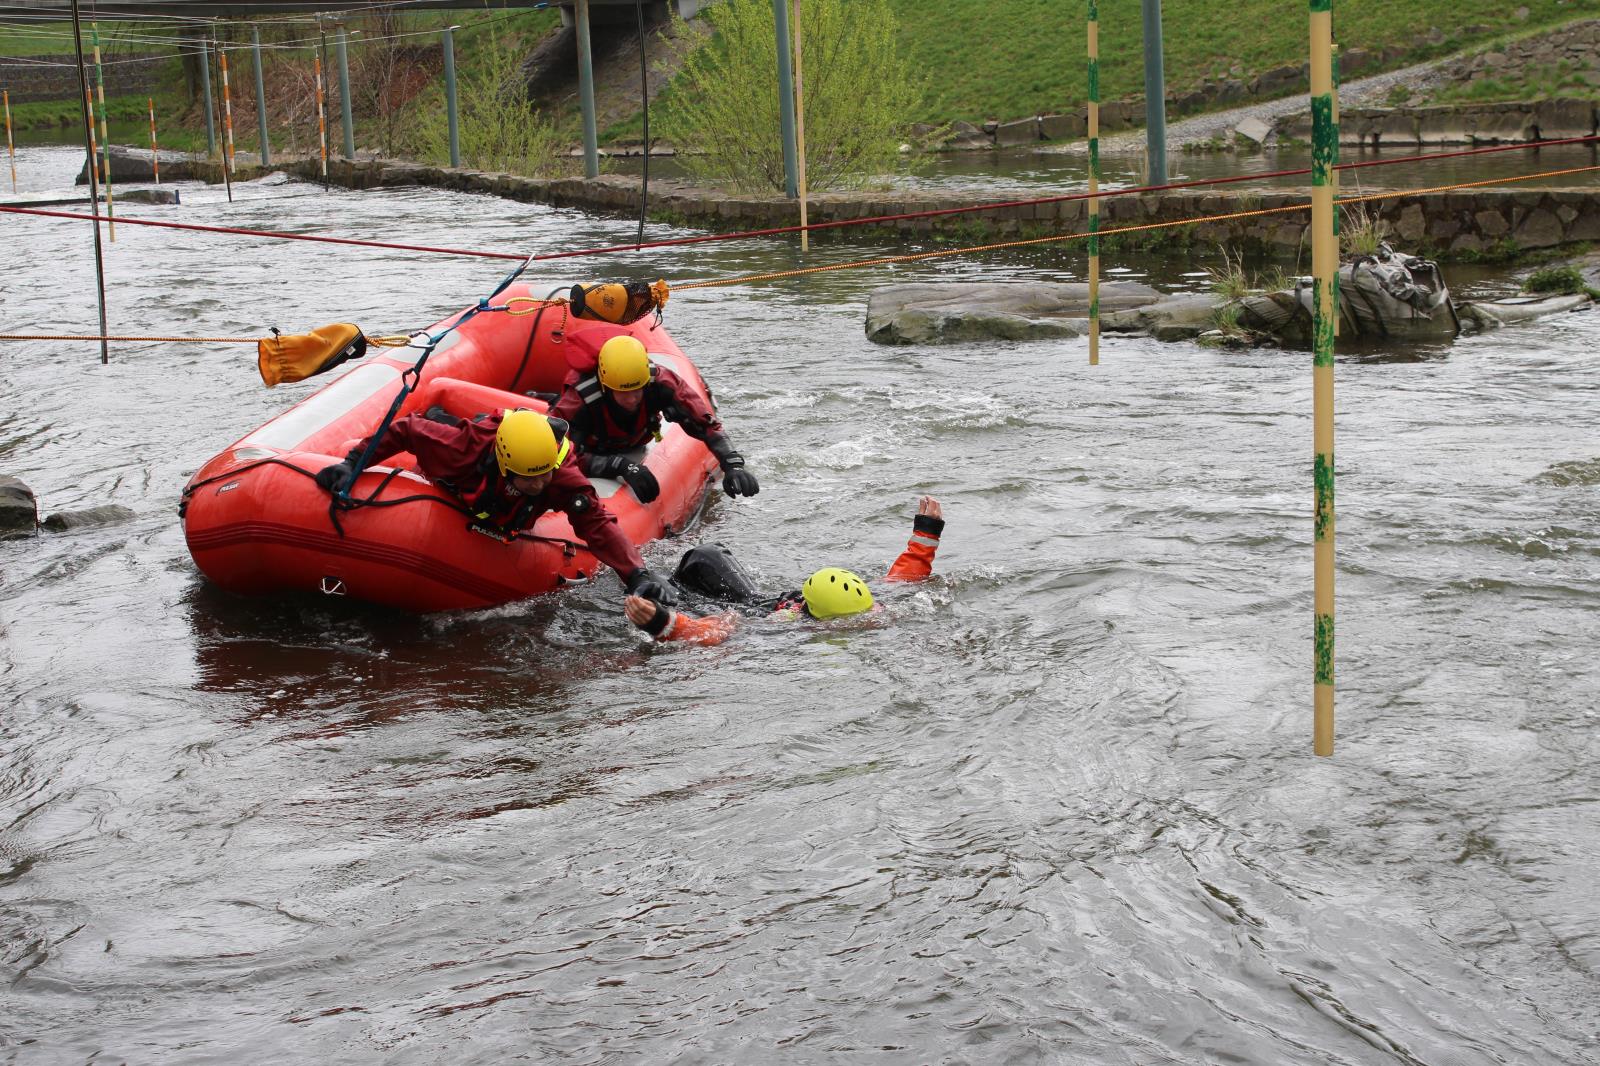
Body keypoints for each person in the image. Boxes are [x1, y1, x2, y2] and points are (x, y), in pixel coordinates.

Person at [314, 407, 676, 602]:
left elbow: (596, 523)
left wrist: (637, 575)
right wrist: (352, 462)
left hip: (508, 514)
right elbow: (406, 429)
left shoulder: (560, 476)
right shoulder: (464, 448)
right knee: (435, 429)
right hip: (456, 479)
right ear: (504, 464)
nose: (538, 485)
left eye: (543, 476)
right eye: (528, 478)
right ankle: (443, 411)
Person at [623, 496, 944, 645]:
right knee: (683, 575)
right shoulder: (780, 625)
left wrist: (926, 534)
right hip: (714, 590)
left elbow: (899, 581)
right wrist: (661, 621)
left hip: (722, 575)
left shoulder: (859, 601)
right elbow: (712, 631)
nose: (874, 614)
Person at [551, 333, 760, 504]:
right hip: (592, 449)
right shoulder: (581, 399)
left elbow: (705, 423)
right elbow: (561, 457)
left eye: (637, 390)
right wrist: (620, 466)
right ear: (605, 387)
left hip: (633, 440)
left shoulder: (661, 383)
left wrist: (733, 464)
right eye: (624, 393)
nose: (633, 398)